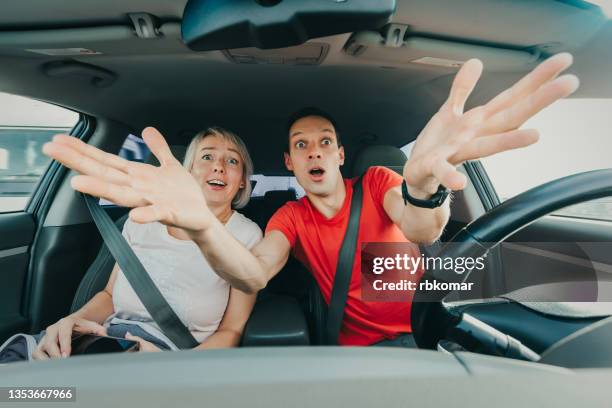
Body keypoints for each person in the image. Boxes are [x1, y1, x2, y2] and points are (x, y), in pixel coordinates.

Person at [42, 53, 579, 346]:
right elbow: (252, 276)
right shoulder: (289, 216)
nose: (314, 150)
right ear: (293, 163)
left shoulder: (377, 184)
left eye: (324, 141)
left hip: (436, 319)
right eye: (301, 145)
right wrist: (204, 227)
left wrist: (422, 186)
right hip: (364, 350)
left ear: (341, 155)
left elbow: (420, 231)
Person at [33, 127, 262, 359]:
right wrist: (71, 323)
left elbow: (232, 330)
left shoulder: (246, 235)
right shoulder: (142, 218)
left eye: (232, 160)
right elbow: (109, 296)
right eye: (206, 156)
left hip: (174, 358)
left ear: (242, 181)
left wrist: (177, 367)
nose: (219, 166)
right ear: (189, 172)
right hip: (106, 341)